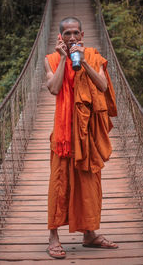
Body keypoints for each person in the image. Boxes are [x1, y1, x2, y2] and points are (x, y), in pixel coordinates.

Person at [44, 17, 118, 259]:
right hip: (64, 134)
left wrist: (83, 62)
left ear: (83, 34)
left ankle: (89, 234)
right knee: (59, 185)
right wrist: (65, 58)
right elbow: (54, 88)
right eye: (67, 34)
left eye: (76, 33)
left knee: (89, 185)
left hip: (87, 133)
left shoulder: (93, 56)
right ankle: (53, 237)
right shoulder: (52, 59)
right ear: (60, 37)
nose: (72, 37)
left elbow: (103, 87)